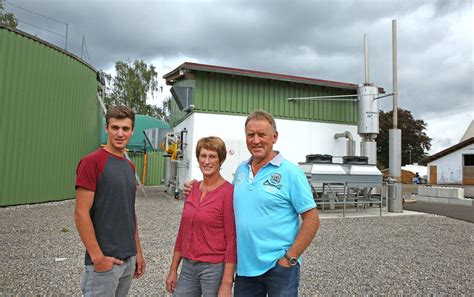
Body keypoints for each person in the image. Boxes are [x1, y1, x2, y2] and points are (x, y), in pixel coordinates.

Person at [184, 110, 320, 297]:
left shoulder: (291, 173)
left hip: (278, 268)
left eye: (261, 135)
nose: (255, 140)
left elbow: (312, 219)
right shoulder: (241, 170)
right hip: (245, 269)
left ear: (274, 137)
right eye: (250, 135)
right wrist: (196, 187)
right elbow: (223, 198)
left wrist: (290, 257)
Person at [74, 106, 145, 296]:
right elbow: (81, 213)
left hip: (128, 260)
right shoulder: (92, 162)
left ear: (132, 131)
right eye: (115, 128)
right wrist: (98, 258)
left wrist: (137, 252)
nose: (120, 133)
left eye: (125, 128)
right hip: (104, 262)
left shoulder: (129, 167)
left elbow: (129, 213)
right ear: (107, 128)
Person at [166, 136, 236, 297]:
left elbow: (232, 239)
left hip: (214, 268)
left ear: (221, 160)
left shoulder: (228, 193)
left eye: (212, 156)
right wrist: (173, 269)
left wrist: (227, 283)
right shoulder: (192, 189)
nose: (207, 161)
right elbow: (182, 232)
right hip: (188, 266)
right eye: (203, 156)